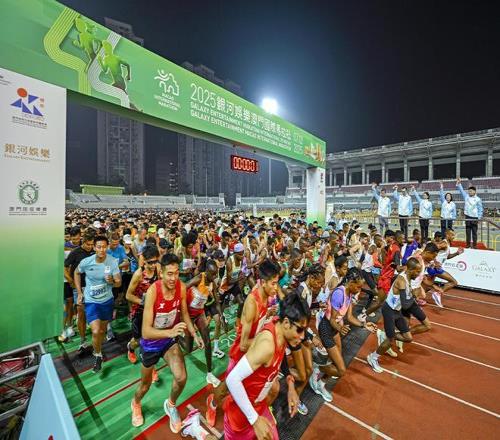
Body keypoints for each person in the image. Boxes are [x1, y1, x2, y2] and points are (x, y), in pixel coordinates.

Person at [131, 253, 203, 431]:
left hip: (168, 342)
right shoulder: (153, 291)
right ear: (161, 273)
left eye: (176, 273)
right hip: (151, 344)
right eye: (169, 274)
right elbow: (146, 332)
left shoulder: (181, 287)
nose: (173, 278)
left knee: (181, 377)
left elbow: (184, 313)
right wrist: (169, 331)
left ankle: (170, 405)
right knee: (145, 386)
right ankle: (136, 403)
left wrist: (194, 333)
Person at [223, 293, 310, 440]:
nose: (302, 336)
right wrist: (254, 420)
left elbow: (281, 357)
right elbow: (232, 379)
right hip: (240, 417)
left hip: (259, 406)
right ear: (287, 323)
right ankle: (198, 429)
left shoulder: (279, 330)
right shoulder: (267, 345)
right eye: (300, 330)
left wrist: (290, 384)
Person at [311, 268, 377, 396]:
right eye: (358, 287)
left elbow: (350, 317)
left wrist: (365, 325)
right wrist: (340, 328)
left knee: (335, 361)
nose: (359, 290)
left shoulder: (349, 293)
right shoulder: (339, 294)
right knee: (341, 370)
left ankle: (321, 383)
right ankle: (317, 368)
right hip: (326, 328)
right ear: (350, 282)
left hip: (334, 329)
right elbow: (332, 320)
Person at [366, 257, 423, 373]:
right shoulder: (402, 281)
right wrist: (414, 296)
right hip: (389, 311)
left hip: (396, 311)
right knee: (390, 341)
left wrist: (413, 295)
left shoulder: (408, 277)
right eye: (417, 271)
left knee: (408, 338)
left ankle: (384, 335)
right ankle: (373, 357)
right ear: (410, 270)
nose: (418, 274)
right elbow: (406, 305)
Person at [74, 236, 121, 373]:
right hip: (91, 301)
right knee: (95, 331)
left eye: (104, 247)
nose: (102, 250)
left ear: (107, 247)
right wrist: (79, 292)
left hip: (107, 301)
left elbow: (118, 282)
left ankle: (98, 348)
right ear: (94, 248)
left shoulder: (112, 261)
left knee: (101, 331)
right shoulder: (86, 262)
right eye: (99, 247)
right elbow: (76, 273)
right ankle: (98, 355)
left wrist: (112, 281)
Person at [125, 245, 161, 383]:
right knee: (138, 341)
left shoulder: (158, 269)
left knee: (148, 339)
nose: (153, 265)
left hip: (153, 311)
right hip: (139, 312)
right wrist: (143, 302)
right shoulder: (138, 274)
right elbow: (128, 295)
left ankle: (151, 368)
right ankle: (130, 348)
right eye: (150, 262)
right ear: (144, 261)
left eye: (155, 261)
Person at [183, 259, 221, 387]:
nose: (214, 276)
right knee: (188, 349)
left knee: (208, 342)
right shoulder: (199, 278)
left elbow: (217, 301)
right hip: (188, 315)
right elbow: (183, 287)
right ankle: (178, 339)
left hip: (199, 313)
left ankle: (209, 374)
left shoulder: (213, 283)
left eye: (216, 273)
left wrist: (221, 317)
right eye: (212, 274)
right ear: (206, 272)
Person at [456, 178, 483, 248]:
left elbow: (480, 209)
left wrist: (479, 218)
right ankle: (468, 244)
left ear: (474, 192)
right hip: (467, 216)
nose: (469, 192)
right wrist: (459, 183)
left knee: (474, 232)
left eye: (471, 191)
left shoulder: (478, 199)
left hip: (475, 217)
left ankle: (474, 245)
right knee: (468, 232)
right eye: (469, 191)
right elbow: (461, 191)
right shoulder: (466, 197)